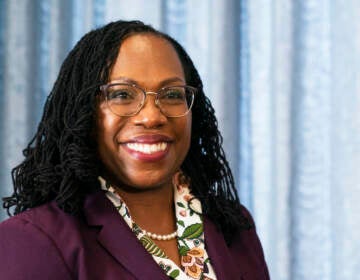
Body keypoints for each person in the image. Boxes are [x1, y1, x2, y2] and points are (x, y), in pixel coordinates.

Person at [0, 20, 269, 279]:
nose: (152, 117)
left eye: (172, 94)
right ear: (83, 114)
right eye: (122, 95)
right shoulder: (33, 241)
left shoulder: (233, 226)